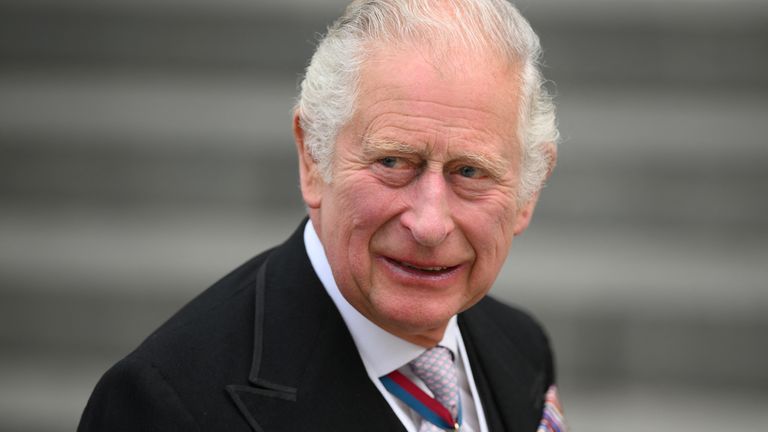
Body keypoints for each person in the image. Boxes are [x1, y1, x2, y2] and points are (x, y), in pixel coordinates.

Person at [78, 0, 565, 431]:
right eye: (392, 162)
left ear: (528, 193)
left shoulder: (522, 347)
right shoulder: (166, 406)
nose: (430, 223)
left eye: (470, 171)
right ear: (313, 158)